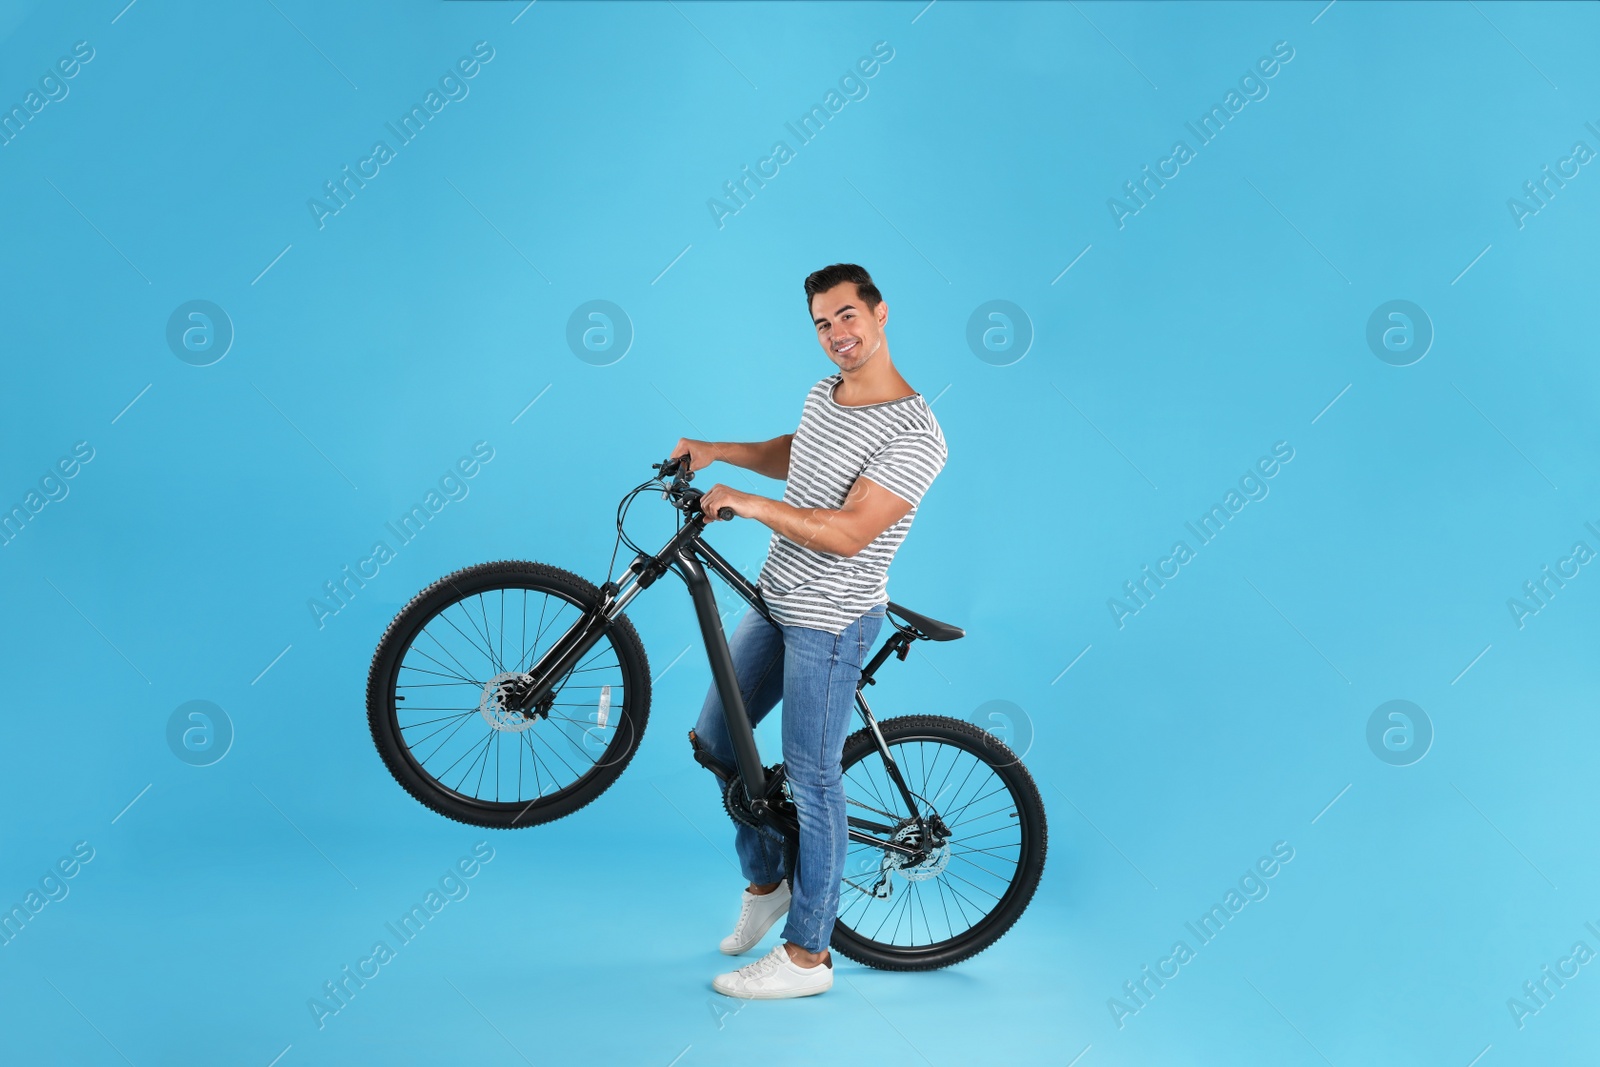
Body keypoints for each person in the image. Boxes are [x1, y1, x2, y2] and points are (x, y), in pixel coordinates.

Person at [671, 263, 948, 999]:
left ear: (881, 314)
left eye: (847, 317)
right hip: (777, 598)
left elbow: (854, 531)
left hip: (832, 619)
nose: (836, 336)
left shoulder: (917, 435)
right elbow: (800, 452)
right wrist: (719, 449)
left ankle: (808, 958)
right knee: (719, 741)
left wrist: (752, 506)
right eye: (823, 324)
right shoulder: (827, 393)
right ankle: (768, 882)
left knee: (812, 775)